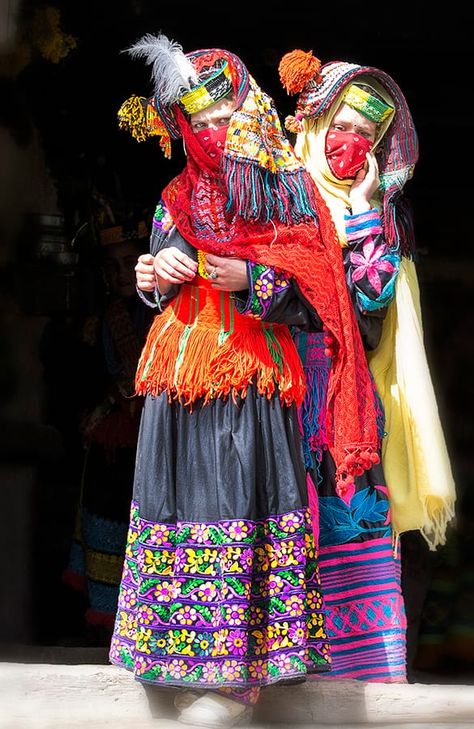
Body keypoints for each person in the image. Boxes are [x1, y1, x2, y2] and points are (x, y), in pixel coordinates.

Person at [110, 33, 389, 727]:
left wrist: (255, 278)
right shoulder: (173, 197)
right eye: (197, 123)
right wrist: (151, 277)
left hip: (253, 379)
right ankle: (168, 660)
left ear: (246, 113)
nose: (211, 133)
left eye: (221, 119)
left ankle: (236, 675)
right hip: (179, 381)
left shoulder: (283, 189)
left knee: (238, 502)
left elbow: (324, 288)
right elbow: (159, 272)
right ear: (181, 126)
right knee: (174, 504)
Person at [276, 49, 457, 682]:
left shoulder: (380, 211)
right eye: (342, 126)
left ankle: (361, 677)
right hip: (277, 394)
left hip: (349, 404)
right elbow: (263, 290)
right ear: (314, 123)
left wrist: (359, 213)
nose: (350, 143)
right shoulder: (273, 195)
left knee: (352, 524)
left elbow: (372, 295)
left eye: (366, 134)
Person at [62, 219, 153, 644]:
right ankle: (102, 626)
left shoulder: (161, 317)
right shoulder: (95, 325)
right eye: (111, 267)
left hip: (149, 447)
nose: (120, 275)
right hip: (107, 454)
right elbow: (79, 383)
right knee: (105, 532)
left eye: (129, 263)